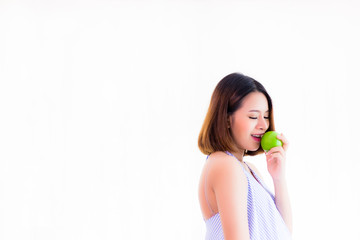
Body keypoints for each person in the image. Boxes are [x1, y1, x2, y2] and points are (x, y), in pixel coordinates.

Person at [198, 73, 293, 240]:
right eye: (253, 117)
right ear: (227, 119)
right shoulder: (225, 165)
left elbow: (282, 233)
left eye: (265, 116)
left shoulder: (248, 169)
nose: (263, 125)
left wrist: (278, 178)